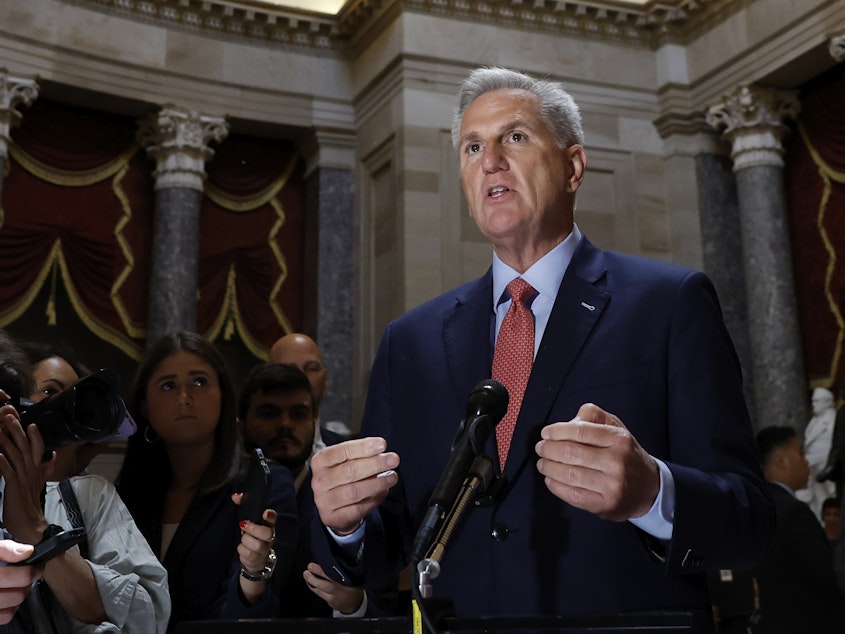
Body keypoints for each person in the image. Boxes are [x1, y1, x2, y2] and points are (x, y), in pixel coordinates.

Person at [309, 66, 774, 628]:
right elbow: (389, 550)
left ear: (574, 167)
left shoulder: (670, 304)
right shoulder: (410, 341)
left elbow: (749, 522)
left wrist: (652, 491)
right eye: (472, 146)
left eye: (516, 137)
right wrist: (345, 522)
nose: (490, 160)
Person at [116, 332, 298, 632]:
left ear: (224, 396)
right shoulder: (127, 495)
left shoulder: (263, 483)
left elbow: (260, 611)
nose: (185, 398)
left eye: (199, 382)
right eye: (168, 385)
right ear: (145, 406)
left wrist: (252, 575)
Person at [0, 330, 170, 633]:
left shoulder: (86, 494)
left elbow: (148, 617)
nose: (69, 409)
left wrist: (38, 532)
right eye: (52, 394)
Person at [238, 363, 373, 617]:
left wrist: (353, 604)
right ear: (241, 427)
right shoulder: (226, 497)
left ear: (314, 423)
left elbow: (386, 605)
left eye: (298, 414)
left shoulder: (347, 497)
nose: (285, 425)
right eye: (269, 414)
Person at [753, 425, 845, 633]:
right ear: (781, 461)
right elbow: (824, 574)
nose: (806, 461)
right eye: (800, 453)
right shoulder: (793, 512)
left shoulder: (762, 505)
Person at [269, 333, 353, 440]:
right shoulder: (251, 451)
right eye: (289, 370)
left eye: (311, 369)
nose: (302, 377)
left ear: (325, 379)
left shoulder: (347, 452)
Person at [797, 387, 837, 518]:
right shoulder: (814, 421)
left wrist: (810, 460)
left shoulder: (833, 421)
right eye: (813, 401)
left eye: (817, 401)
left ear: (827, 402)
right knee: (819, 504)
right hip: (814, 471)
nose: (814, 404)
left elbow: (833, 448)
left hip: (827, 469)